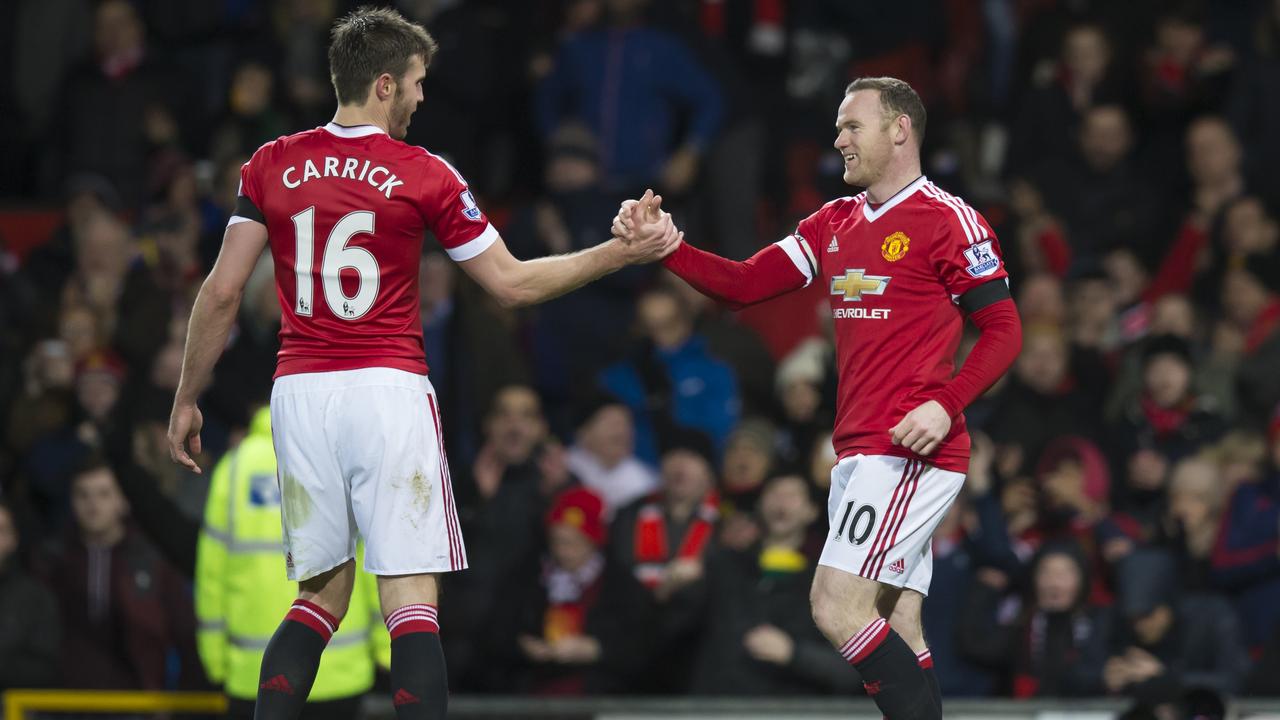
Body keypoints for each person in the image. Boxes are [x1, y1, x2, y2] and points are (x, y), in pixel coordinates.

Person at [165, 7, 679, 720]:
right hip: (386, 389)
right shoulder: (423, 172)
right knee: (410, 601)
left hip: (299, 393)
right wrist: (617, 253)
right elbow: (512, 283)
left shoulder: (271, 163)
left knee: (319, 599)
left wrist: (187, 397)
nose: (422, 96)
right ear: (384, 84)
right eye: (415, 82)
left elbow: (222, 292)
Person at [615, 76, 1023, 719]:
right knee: (900, 621)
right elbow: (745, 285)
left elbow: (1004, 329)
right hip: (861, 451)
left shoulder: (948, 220)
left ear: (899, 129)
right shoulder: (833, 221)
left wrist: (946, 403)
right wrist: (669, 246)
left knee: (835, 605)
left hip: (908, 449)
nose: (837, 141)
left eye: (852, 126)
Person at [196, 407, 390, 719]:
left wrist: (214, 659)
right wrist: (386, 648)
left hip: (256, 673)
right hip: (342, 669)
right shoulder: (342, 459)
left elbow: (211, 573)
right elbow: (371, 560)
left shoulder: (234, 469)